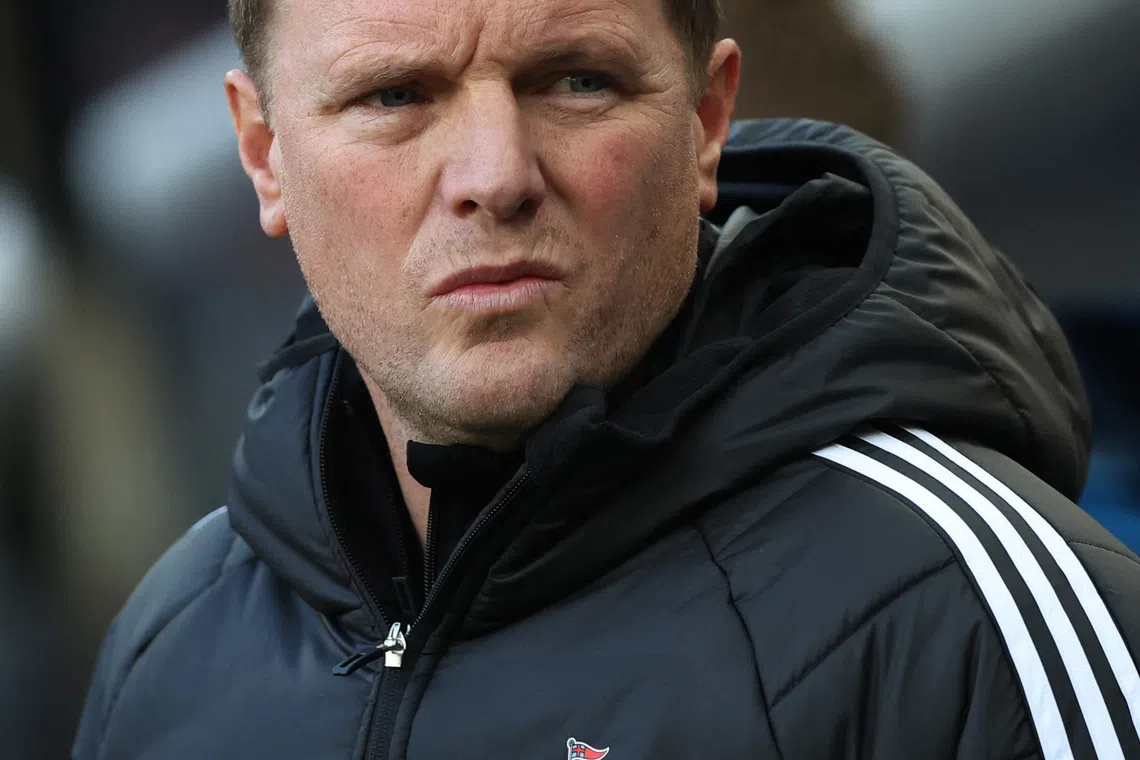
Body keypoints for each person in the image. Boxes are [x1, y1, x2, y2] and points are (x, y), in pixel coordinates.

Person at [73, 0, 1140, 756]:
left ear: (707, 121)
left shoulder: (967, 614)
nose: (495, 176)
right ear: (262, 152)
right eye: (396, 95)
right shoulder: (168, 651)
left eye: (577, 81)